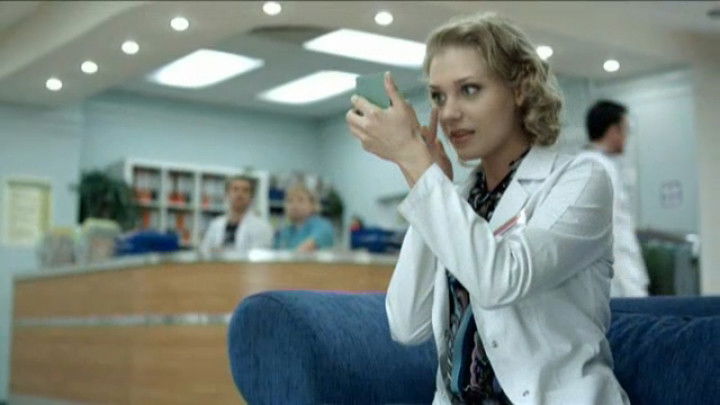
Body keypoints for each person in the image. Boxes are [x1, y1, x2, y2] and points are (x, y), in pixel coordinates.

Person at [346, 12, 629, 404]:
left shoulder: (580, 179)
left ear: (520, 88)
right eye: (438, 96)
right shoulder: (456, 198)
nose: (449, 113)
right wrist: (427, 181)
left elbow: (501, 279)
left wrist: (419, 168)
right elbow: (406, 324)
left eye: (469, 90)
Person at [578, 100, 650, 297]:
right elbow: (613, 233)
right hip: (616, 281)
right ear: (613, 131)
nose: (627, 137)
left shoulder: (587, 163)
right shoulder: (599, 167)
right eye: (626, 130)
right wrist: (632, 288)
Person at [199, 175, 273, 255]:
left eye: (245, 190)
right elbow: (204, 252)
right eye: (235, 189)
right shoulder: (215, 225)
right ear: (227, 194)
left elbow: (260, 256)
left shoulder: (262, 227)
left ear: (251, 197)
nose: (239, 194)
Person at [273, 183, 334, 252]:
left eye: (301, 200)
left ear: (313, 205)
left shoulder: (322, 226)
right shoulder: (285, 232)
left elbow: (306, 249)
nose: (294, 205)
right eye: (290, 201)